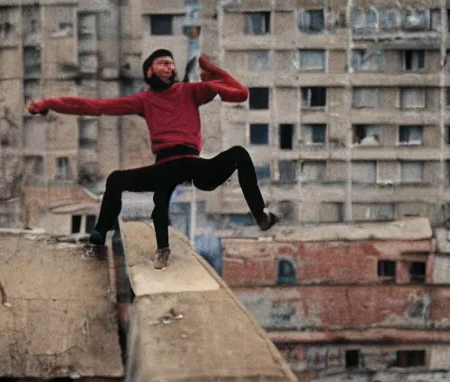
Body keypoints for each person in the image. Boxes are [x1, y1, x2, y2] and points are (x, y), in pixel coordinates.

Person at [26, 49, 277, 269]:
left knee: (239, 155)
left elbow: (240, 93)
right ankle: (99, 240)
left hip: (193, 163)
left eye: (171, 63)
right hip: (165, 165)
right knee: (117, 180)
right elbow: (95, 106)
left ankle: (261, 216)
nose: (169, 67)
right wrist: (49, 103)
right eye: (162, 63)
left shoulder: (191, 91)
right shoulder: (144, 100)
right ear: (149, 71)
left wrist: (209, 68)